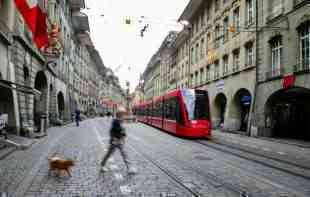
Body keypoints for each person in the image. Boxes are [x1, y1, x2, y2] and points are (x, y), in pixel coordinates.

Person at [100, 109, 135, 174]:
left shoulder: (120, 121)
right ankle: (102, 165)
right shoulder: (115, 122)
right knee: (109, 154)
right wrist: (115, 138)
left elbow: (123, 131)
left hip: (119, 141)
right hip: (115, 141)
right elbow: (112, 131)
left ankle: (129, 168)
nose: (124, 115)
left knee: (124, 154)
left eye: (124, 114)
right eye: (123, 114)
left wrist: (123, 136)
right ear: (119, 115)